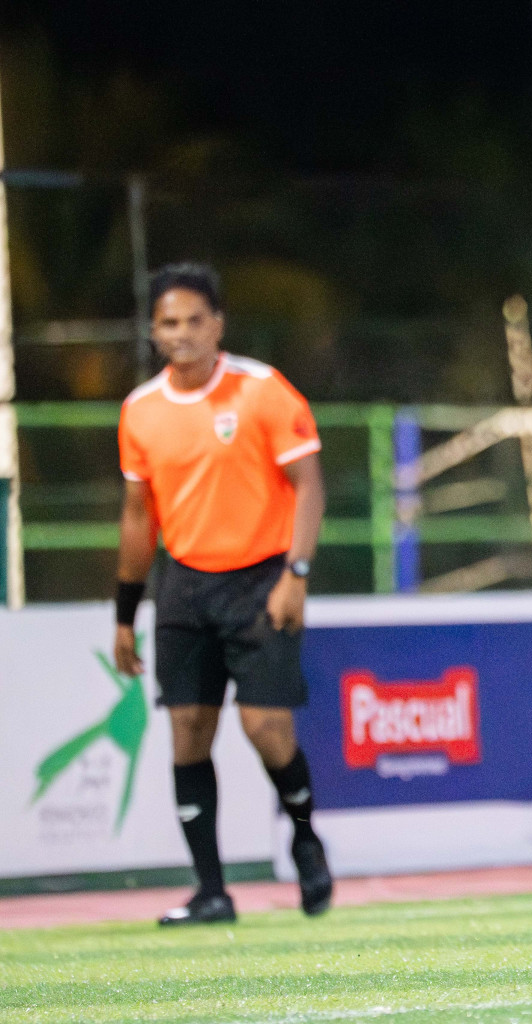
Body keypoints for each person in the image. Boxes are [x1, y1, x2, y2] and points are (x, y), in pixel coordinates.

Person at [114, 263, 332, 925]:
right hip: (181, 585)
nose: (181, 334)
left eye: (194, 321)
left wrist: (296, 575)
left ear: (218, 324)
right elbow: (135, 516)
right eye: (168, 323)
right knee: (188, 732)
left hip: (262, 579)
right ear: (154, 331)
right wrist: (124, 613)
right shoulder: (140, 410)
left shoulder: (263, 392)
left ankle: (304, 834)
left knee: (265, 728)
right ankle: (211, 891)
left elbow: (310, 487)